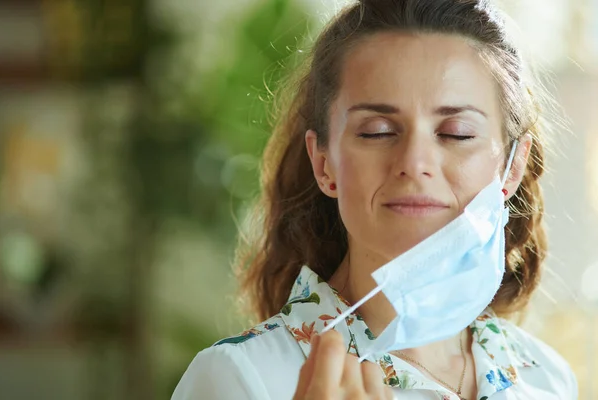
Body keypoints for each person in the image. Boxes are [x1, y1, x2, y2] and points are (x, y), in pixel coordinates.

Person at [172, 0, 579, 399]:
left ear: (512, 167)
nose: (415, 163)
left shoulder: (546, 378)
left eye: (456, 133)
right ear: (324, 163)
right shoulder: (240, 379)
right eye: (378, 131)